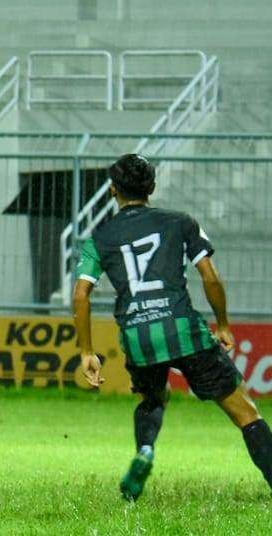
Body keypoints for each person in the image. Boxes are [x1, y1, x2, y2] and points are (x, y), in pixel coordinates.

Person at [74, 153, 272, 501]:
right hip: (183, 330)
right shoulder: (180, 222)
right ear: (152, 187)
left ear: (112, 191)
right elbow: (209, 276)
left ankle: (145, 450)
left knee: (153, 398)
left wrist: (87, 351)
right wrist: (223, 324)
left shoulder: (100, 237)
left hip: (138, 336)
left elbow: (80, 295)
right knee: (246, 412)